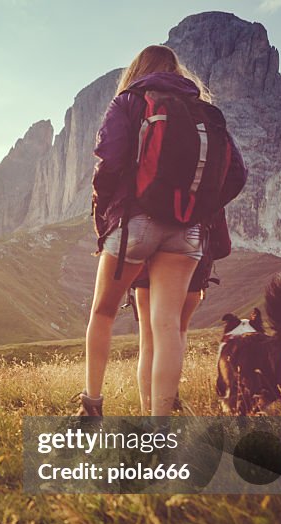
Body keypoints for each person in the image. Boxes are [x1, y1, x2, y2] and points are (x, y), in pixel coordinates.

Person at [79, 45, 245, 417]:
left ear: (138, 70)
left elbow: (109, 160)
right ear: (178, 72)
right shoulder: (204, 111)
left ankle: (91, 404)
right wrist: (200, 208)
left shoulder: (129, 102)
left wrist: (105, 212)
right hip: (186, 233)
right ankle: (160, 424)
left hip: (134, 225)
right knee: (168, 326)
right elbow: (237, 175)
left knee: (103, 313)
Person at [132, 253, 217, 413]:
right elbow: (223, 246)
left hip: (147, 271)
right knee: (179, 331)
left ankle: (148, 414)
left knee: (148, 342)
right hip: (193, 269)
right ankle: (168, 399)